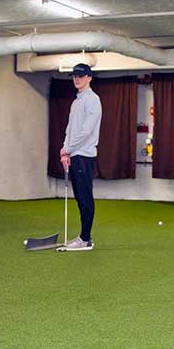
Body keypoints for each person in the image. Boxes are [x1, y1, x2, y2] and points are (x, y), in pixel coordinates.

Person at [59, 63, 102, 251]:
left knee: (85, 197)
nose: (77, 79)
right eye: (75, 75)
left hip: (84, 154)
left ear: (89, 78)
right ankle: (84, 237)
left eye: (81, 76)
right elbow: (71, 128)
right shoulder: (77, 101)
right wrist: (65, 149)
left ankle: (85, 238)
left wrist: (68, 148)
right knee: (79, 197)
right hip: (75, 153)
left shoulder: (92, 100)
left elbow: (85, 131)